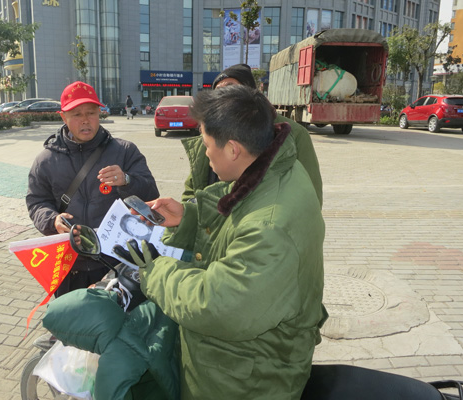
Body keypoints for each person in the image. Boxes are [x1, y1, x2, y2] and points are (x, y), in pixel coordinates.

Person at [125, 85, 327, 399]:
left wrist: (155, 272)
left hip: (246, 379)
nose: (205, 153)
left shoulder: (270, 228)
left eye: (206, 144)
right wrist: (189, 219)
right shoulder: (276, 168)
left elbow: (217, 305)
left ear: (233, 149)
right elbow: (239, 218)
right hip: (240, 363)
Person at [26, 81, 159, 296]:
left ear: (100, 113)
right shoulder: (46, 160)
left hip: (116, 262)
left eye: (91, 113)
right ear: (63, 117)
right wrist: (52, 220)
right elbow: (36, 201)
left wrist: (127, 180)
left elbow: (151, 195)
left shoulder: (125, 151)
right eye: (77, 114)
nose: (85, 120)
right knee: (71, 315)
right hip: (69, 264)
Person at [181, 63, 323, 207]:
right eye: (219, 92)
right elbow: (194, 185)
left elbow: (311, 194)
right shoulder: (211, 135)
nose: (224, 96)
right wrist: (187, 211)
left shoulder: (293, 133)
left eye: (231, 88)